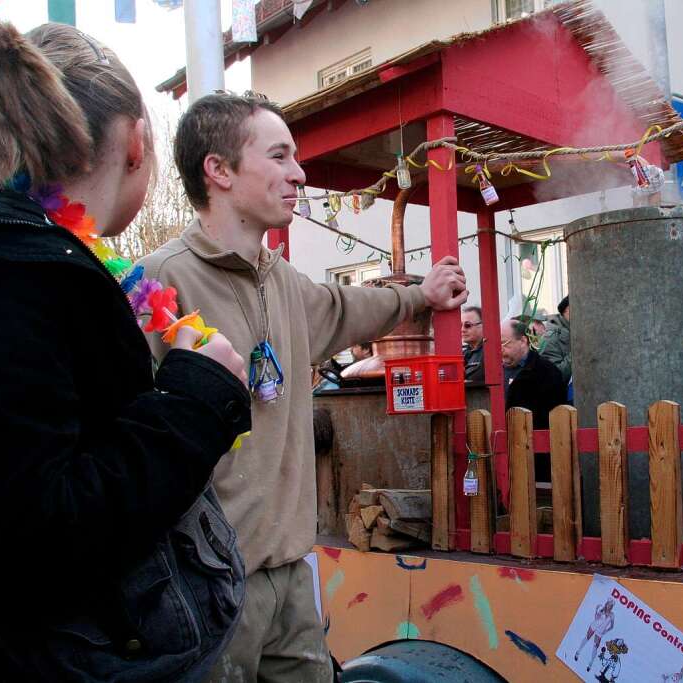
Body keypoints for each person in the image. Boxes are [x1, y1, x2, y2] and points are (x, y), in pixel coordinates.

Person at [138, 91, 467, 682]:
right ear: (219, 170)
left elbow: (350, 307)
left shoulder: (283, 279)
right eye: (279, 155)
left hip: (293, 569)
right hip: (211, 579)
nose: (299, 172)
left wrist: (422, 294)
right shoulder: (163, 279)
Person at [0, 18, 251, 680]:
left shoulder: (55, 254)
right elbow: (38, 531)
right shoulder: (19, 274)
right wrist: (195, 400)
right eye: (277, 155)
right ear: (137, 144)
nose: (296, 172)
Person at [500, 319, 567, 429]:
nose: (499, 349)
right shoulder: (493, 371)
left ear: (523, 341)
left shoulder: (546, 372)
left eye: (504, 343)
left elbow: (554, 418)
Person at [539, 294, 572, 384]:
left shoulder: (574, 331)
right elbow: (554, 376)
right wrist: (576, 354)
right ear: (568, 310)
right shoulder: (551, 338)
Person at [462, 304, 485, 382]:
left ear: (483, 325)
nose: (462, 329)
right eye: (460, 325)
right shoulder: (464, 352)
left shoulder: (490, 352)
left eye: (467, 325)